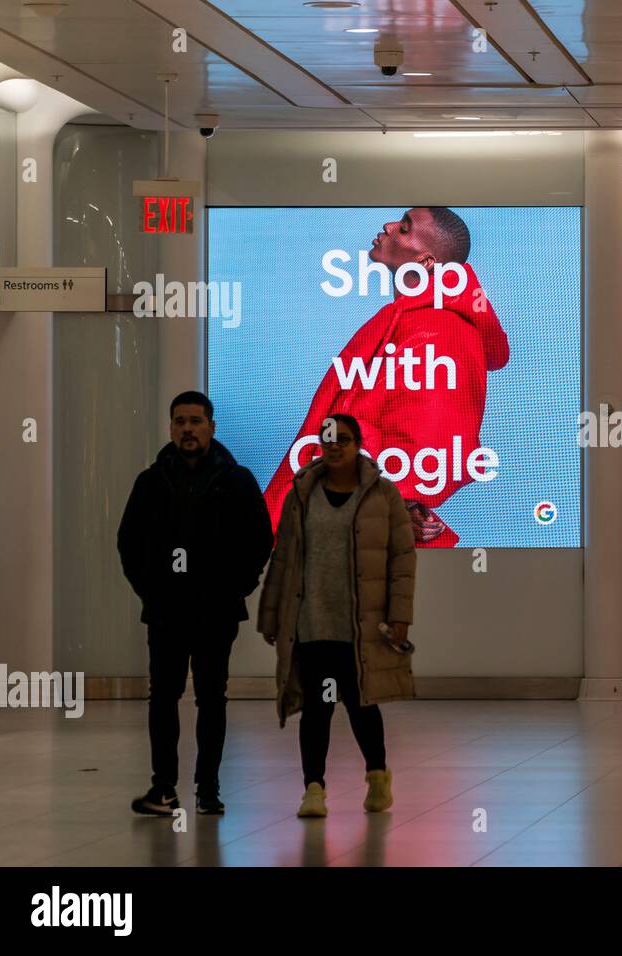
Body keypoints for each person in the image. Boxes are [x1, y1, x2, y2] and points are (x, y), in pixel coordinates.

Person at [261, 206, 509, 547]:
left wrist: (395, 501)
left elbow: (434, 433)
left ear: (425, 262)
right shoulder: (411, 319)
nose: (389, 225)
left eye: (405, 227)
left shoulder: (439, 328)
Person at [118, 391, 274, 816]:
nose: (187, 428)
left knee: (212, 698)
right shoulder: (150, 482)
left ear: (211, 427)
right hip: (166, 612)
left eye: (196, 421)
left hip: (215, 611)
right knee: (162, 697)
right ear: (171, 428)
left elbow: (261, 539)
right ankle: (164, 788)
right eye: (180, 421)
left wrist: (236, 587)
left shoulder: (236, 480)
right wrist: (149, 590)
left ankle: (208, 788)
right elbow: (128, 543)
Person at [258, 413, 416, 818]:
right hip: (311, 621)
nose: (334, 446)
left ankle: (378, 775)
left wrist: (400, 614)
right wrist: (272, 614)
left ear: (358, 444)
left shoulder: (383, 495)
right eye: (328, 439)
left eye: (343, 439)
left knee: (362, 704)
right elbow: (284, 558)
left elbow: (402, 558)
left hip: (360, 625)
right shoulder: (301, 494)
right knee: (316, 707)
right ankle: (314, 788)